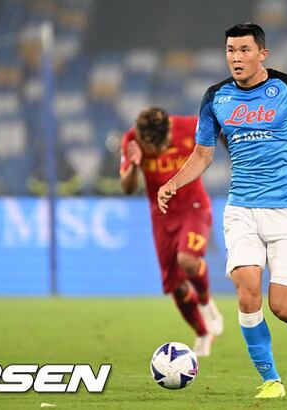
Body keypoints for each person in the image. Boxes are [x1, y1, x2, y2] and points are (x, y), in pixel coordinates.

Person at [157, 22, 287, 398]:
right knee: (247, 293)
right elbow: (203, 154)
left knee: (281, 305)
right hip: (241, 210)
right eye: (230, 50)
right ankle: (271, 380)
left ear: (262, 54)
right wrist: (173, 182)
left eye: (244, 50)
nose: (236, 58)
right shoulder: (215, 97)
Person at [120, 107, 223, 357]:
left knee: (187, 261)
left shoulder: (189, 126)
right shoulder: (131, 140)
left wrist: (233, 150)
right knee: (176, 286)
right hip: (162, 215)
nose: (158, 150)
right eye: (152, 148)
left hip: (194, 206)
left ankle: (205, 302)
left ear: (169, 130)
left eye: (163, 145)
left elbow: (221, 124)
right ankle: (202, 333)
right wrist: (135, 166)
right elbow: (127, 188)